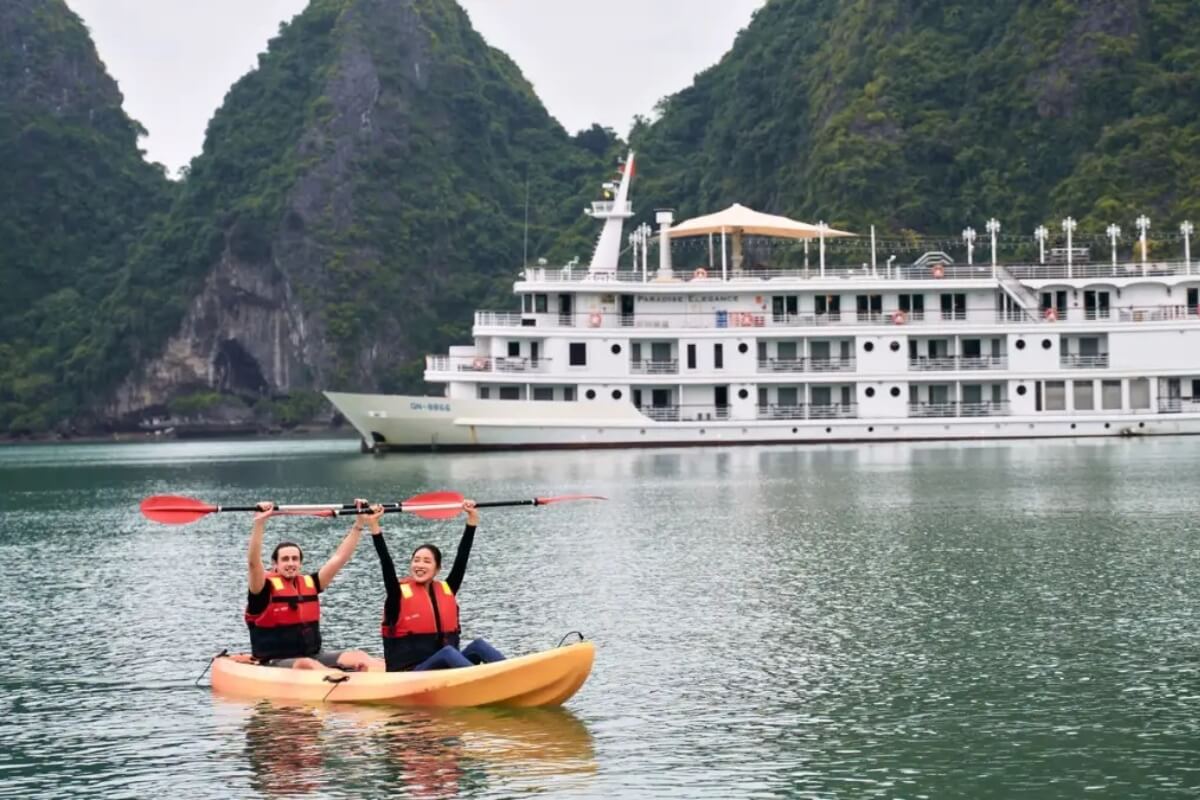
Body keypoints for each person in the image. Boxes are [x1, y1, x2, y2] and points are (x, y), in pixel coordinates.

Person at [368, 499, 506, 671]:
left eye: (427, 561)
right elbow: (386, 563)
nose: (420, 565)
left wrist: (472, 520)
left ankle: (516, 676)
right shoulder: (397, 594)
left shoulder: (447, 589)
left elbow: (462, 558)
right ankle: (483, 680)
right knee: (448, 653)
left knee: (478, 646)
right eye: (416, 560)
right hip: (409, 673)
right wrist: (374, 525)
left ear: (437, 569)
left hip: (446, 670)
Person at [244, 499, 375, 670]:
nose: (291, 563)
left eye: (295, 559)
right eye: (285, 559)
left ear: (300, 564)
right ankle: (340, 681)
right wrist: (260, 523)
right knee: (307, 664)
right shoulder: (262, 589)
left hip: (313, 656)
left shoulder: (311, 583)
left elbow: (339, 558)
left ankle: (393, 678)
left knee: (358, 656)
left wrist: (359, 522)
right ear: (274, 564)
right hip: (274, 662)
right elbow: (253, 563)